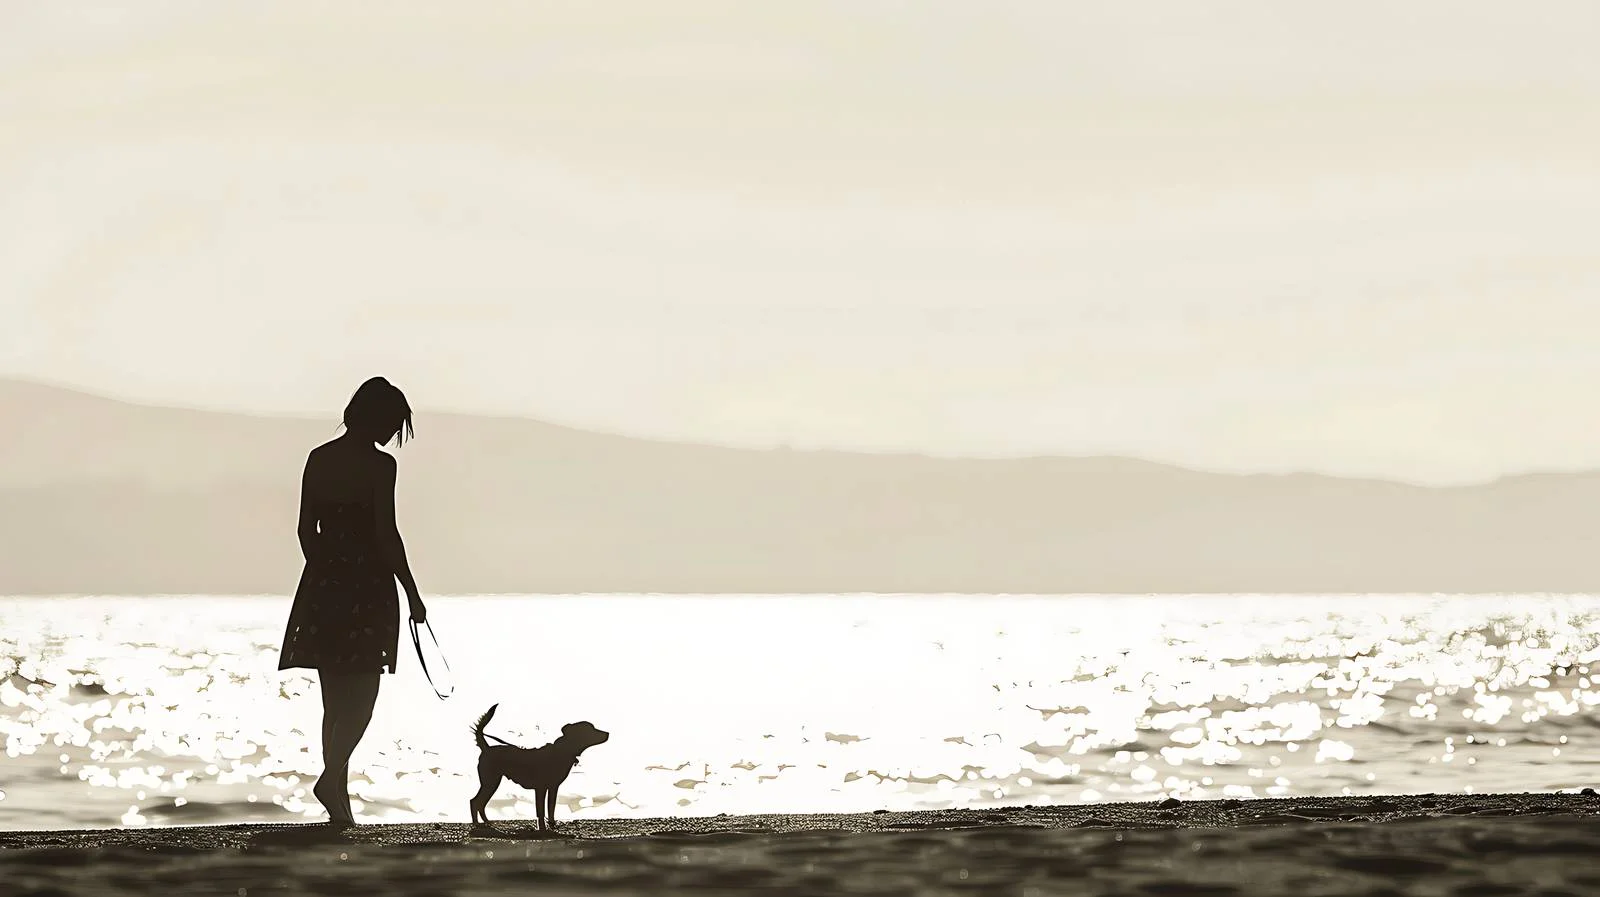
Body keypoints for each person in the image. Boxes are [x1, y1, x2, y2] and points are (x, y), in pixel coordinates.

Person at [278, 376, 427, 824]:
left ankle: (339, 809)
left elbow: (307, 529)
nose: (392, 435)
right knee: (363, 696)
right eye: (392, 423)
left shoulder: (319, 459)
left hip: (323, 585)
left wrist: (326, 574)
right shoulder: (381, 468)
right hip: (369, 587)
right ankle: (330, 781)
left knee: (334, 700)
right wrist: (411, 590)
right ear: (376, 416)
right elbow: (387, 534)